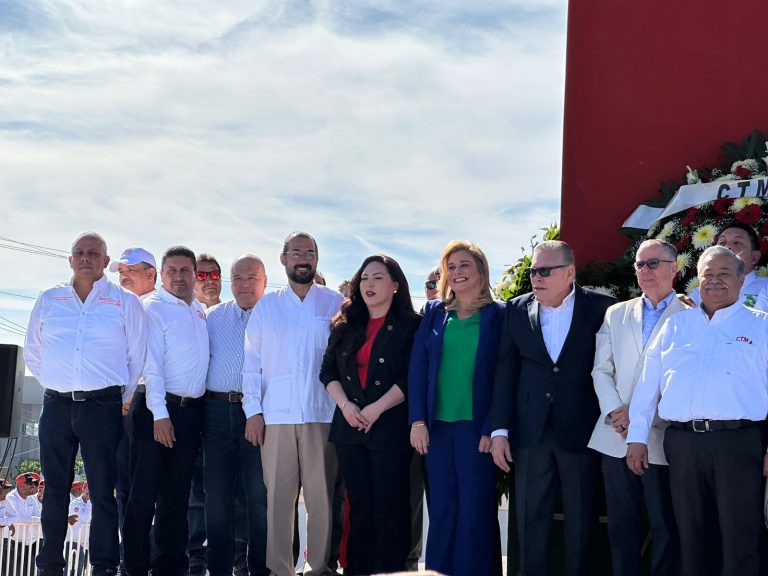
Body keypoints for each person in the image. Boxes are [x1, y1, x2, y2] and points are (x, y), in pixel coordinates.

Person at [626, 245, 768, 576]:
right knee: (690, 536)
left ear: (741, 278)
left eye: (724, 274)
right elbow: (648, 384)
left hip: (739, 443)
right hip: (683, 445)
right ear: (697, 279)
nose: (715, 281)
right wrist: (637, 437)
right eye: (708, 274)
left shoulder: (761, 326)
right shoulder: (676, 326)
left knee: (740, 538)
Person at [24, 232, 147, 576]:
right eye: (79, 252)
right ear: (70, 259)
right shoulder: (50, 299)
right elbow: (34, 350)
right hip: (57, 407)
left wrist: (120, 398)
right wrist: (57, 383)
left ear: (106, 261)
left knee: (103, 492)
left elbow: (136, 356)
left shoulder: (124, 302)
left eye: (93, 253)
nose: (85, 258)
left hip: (103, 408)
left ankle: (104, 566)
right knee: (55, 490)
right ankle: (50, 566)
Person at [491, 240, 615, 576]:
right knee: (530, 518)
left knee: (581, 518)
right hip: (530, 431)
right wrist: (499, 430)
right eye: (533, 271)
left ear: (569, 272)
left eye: (545, 270)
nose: (536, 277)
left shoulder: (603, 307)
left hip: (581, 429)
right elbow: (505, 370)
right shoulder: (515, 309)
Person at [242, 231, 344, 576]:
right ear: (283, 259)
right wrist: (253, 411)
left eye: (311, 252)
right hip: (276, 417)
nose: (304, 258)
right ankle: (279, 569)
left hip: (322, 414)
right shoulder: (266, 308)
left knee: (322, 500)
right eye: (297, 252)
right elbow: (250, 365)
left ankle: (318, 569)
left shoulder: (334, 303)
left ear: (317, 259)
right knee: (278, 502)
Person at [319, 254, 420, 575]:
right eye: (364, 278)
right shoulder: (346, 323)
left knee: (390, 506)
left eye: (378, 278)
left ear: (395, 285)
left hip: (389, 428)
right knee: (358, 507)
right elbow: (327, 372)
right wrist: (347, 407)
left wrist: (376, 409)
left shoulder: (411, 325)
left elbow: (412, 376)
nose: (369, 284)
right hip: (349, 428)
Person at [409, 241, 505, 576]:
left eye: (464, 265)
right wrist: (417, 420)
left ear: (481, 270)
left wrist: (492, 427)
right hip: (437, 429)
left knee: (475, 512)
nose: (457, 272)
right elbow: (418, 367)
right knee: (443, 510)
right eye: (451, 267)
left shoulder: (500, 315)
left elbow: (504, 376)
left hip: (476, 430)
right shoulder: (435, 313)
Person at [587, 239, 682, 576]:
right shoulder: (616, 312)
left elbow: (686, 380)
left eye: (653, 263)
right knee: (621, 527)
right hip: (615, 436)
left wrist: (641, 416)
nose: (645, 271)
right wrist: (618, 412)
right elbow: (601, 369)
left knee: (665, 528)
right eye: (640, 265)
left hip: (662, 438)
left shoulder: (690, 315)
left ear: (675, 268)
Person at [122, 246, 209, 576]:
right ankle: (134, 568)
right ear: (161, 273)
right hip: (156, 410)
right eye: (172, 269)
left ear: (194, 273)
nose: (179, 275)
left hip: (189, 415)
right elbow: (151, 365)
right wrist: (160, 415)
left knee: (176, 499)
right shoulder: (152, 308)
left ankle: (170, 568)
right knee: (142, 497)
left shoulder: (198, 309)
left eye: (185, 270)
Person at [203, 254, 270, 576]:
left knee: (259, 498)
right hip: (216, 412)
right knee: (217, 499)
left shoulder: (274, 316)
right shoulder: (212, 317)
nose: (244, 284)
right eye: (238, 278)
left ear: (264, 281)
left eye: (251, 278)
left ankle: (258, 568)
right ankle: (218, 569)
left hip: (260, 414)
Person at [187, 253, 224, 575]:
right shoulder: (188, 314)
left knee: (232, 488)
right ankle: (195, 556)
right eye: (202, 276)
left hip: (229, 410)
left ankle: (233, 554)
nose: (209, 280)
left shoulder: (234, 314)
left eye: (214, 275)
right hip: (194, 409)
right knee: (196, 489)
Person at [689, 221, 768, 309]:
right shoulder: (698, 295)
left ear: (754, 257)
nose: (727, 247)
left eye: (737, 242)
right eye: (722, 243)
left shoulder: (765, 288)